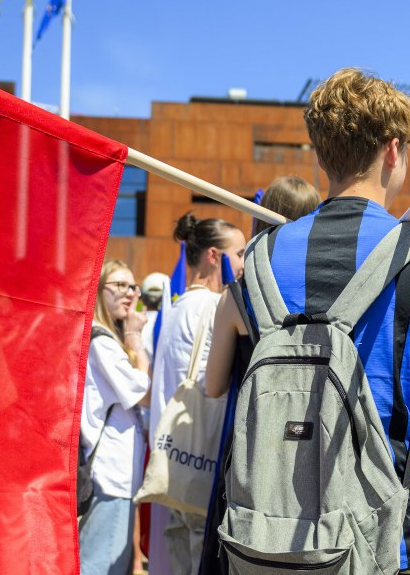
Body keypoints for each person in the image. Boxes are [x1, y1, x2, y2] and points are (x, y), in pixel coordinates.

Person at [207, 67, 410, 574]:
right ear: (392, 150)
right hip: (397, 534)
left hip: (272, 534)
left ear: (322, 153)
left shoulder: (261, 255)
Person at [198, 174, 320, 574]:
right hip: (317, 448)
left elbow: (214, 387)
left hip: (251, 453)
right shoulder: (334, 294)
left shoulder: (239, 295)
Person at [150, 212, 246, 575]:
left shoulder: (174, 308)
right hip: (202, 458)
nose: (243, 263)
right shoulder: (212, 306)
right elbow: (214, 385)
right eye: (238, 254)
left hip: (175, 455)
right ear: (213, 256)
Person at [80, 260, 151, 575]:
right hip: (110, 474)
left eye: (132, 287)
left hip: (119, 475)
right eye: (119, 285)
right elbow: (143, 392)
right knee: (100, 565)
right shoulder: (101, 342)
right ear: (99, 289)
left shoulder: (108, 339)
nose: (129, 294)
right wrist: (135, 338)